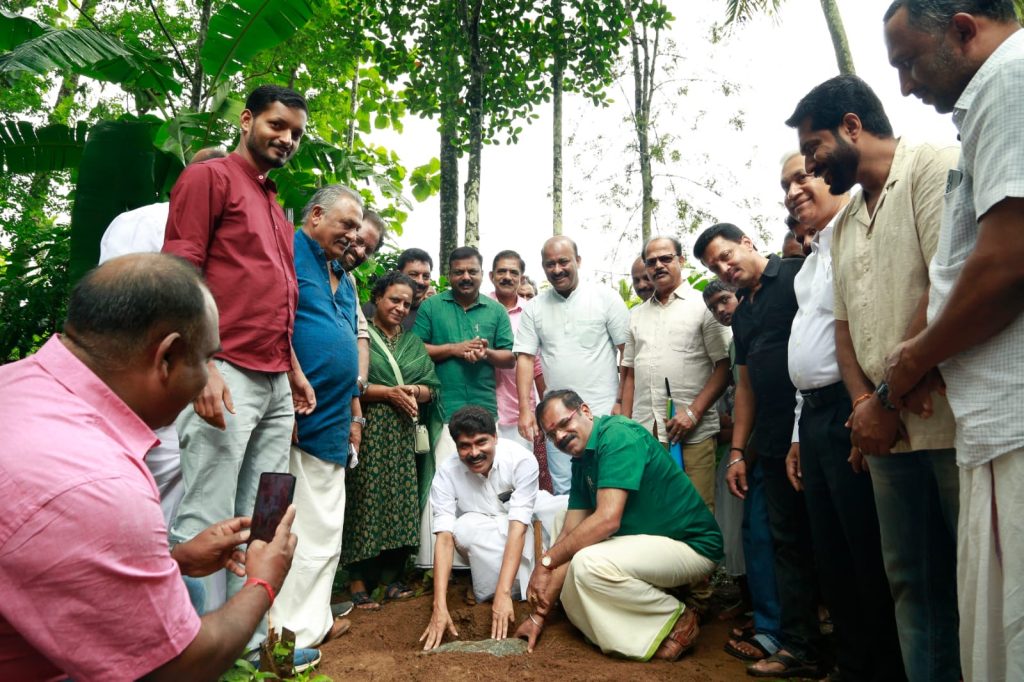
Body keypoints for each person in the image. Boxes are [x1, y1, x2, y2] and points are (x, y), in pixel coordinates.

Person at [0, 254, 300, 680]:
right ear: (167, 357)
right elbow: (174, 670)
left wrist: (175, 559)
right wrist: (263, 582)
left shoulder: (17, 387)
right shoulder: (97, 481)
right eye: (209, 361)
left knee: (185, 592)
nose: (209, 379)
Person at [789, 74, 960, 681]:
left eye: (815, 151)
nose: (810, 166)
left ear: (852, 127)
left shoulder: (934, 167)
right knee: (910, 582)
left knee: (972, 580)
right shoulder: (848, 218)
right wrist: (865, 402)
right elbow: (843, 324)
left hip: (945, 423)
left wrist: (885, 398)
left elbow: (948, 285)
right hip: (885, 431)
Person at [883, 3, 1024, 678]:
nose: (907, 85)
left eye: (911, 60)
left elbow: (1005, 262)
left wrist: (916, 359)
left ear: (965, 29)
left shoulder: (1012, 78)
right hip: (996, 421)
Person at [162, 86, 315, 656]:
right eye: (278, 125)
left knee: (266, 519)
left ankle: (248, 648)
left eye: (296, 133)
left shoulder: (275, 202)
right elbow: (181, 273)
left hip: (275, 381)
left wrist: (294, 370)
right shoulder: (211, 179)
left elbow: (275, 298)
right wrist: (202, 365)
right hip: (226, 372)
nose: (287, 139)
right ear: (248, 120)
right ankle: (191, 650)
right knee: (208, 515)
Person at [785, 142, 904, 680]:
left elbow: (865, 331)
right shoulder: (811, 260)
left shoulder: (858, 240)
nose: (793, 192)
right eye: (786, 187)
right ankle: (852, 664)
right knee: (830, 551)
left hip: (849, 407)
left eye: (804, 175)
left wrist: (862, 406)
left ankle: (883, 666)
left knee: (867, 549)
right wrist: (794, 434)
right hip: (812, 416)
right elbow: (808, 349)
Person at [696, 223, 823, 678]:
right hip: (770, 441)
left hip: (817, 428)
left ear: (747, 242)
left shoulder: (796, 275)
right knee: (782, 543)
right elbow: (744, 384)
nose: (725, 269)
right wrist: (736, 452)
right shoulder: (744, 314)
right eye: (715, 268)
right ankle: (799, 645)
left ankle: (851, 647)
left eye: (727, 256)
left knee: (830, 540)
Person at [512, 390, 723, 662]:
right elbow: (570, 531)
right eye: (552, 435)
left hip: (692, 547)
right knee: (563, 521)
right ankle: (610, 618)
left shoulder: (617, 436)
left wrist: (545, 563)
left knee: (587, 563)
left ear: (585, 411)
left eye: (564, 424)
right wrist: (538, 616)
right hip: (648, 544)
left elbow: (607, 520)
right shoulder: (582, 460)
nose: (560, 437)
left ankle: (676, 619)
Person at [97, 145, 227, 527]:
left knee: (190, 493)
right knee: (147, 490)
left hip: (192, 380)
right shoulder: (146, 221)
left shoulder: (219, 235)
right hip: (152, 380)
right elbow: (123, 302)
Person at [267, 185, 369, 648]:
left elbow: (347, 342)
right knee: (278, 523)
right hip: (288, 414)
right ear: (315, 216)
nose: (354, 236)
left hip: (333, 420)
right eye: (346, 225)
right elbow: (271, 321)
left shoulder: (344, 278)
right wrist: (283, 388)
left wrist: (355, 413)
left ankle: (311, 623)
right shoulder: (286, 249)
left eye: (357, 227)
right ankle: (272, 632)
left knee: (325, 527)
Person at [420, 407, 566, 650]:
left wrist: (504, 593)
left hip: (528, 520)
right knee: (463, 530)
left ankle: (525, 590)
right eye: (465, 446)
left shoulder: (521, 460)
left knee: (565, 511)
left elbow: (518, 526)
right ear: (456, 447)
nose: (474, 452)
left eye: (481, 442)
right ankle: (494, 591)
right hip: (486, 527)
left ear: (496, 437)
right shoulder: (446, 472)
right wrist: (439, 606)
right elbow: (443, 538)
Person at [344, 271, 443, 605]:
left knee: (400, 503)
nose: (401, 308)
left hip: (403, 437)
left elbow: (433, 389)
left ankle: (391, 579)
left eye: (406, 303)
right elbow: (350, 382)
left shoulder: (413, 342)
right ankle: (358, 581)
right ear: (377, 299)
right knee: (365, 501)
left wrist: (414, 390)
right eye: (394, 300)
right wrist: (388, 393)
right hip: (369, 431)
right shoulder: (362, 337)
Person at [413, 245, 515, 566]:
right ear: (449, 275)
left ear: (481, 273)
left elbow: (509, 357)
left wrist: (484, 352)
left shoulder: (495, 311)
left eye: (472, 271)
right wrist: (455, 349)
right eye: (459, 271)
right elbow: (417, 349)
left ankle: (483, 560)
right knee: (444, 484)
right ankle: (436, 561)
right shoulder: (432, 308)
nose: (466, 277)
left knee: (485, 486)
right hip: (444, 411)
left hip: (485, 412)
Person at [621, 236, 731, 509]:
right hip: (646, 434)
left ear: (680, 260)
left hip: (692, 432)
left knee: (698, 513)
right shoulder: (636, 315)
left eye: (665, 258)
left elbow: (724, 366)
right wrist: (625, 429)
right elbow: (630, 375)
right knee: (657, 513)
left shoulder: (703, 306)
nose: (658, 265)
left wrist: (692, 413)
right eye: (651, 261)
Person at [514, 236, 630, 494]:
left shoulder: (606, 298)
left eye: (563, 262)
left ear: (578, 261)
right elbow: (524, 358)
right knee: (566, 489)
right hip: (557, 421)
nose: (557, 269)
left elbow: (627, 354)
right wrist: (525, 409)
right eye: (549, 264)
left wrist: (622, 402)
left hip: (603, 413)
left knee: (609, 484)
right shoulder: (534, 308)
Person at [488, 250, 545, 451]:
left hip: (520, 412)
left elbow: (537, 366)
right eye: (501, 271)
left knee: (519, 473)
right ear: (491, 276)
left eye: (513, 272)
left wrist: (543, 411)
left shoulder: (532, 312)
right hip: (484, 408)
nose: (507, 277)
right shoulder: (480, 308)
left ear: (521, 278)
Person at [363, 247, 433, 331]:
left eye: (426, 276)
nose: (420, 281)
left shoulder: (432, 312)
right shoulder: (373, 308)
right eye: (413, 274)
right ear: (399, 274)